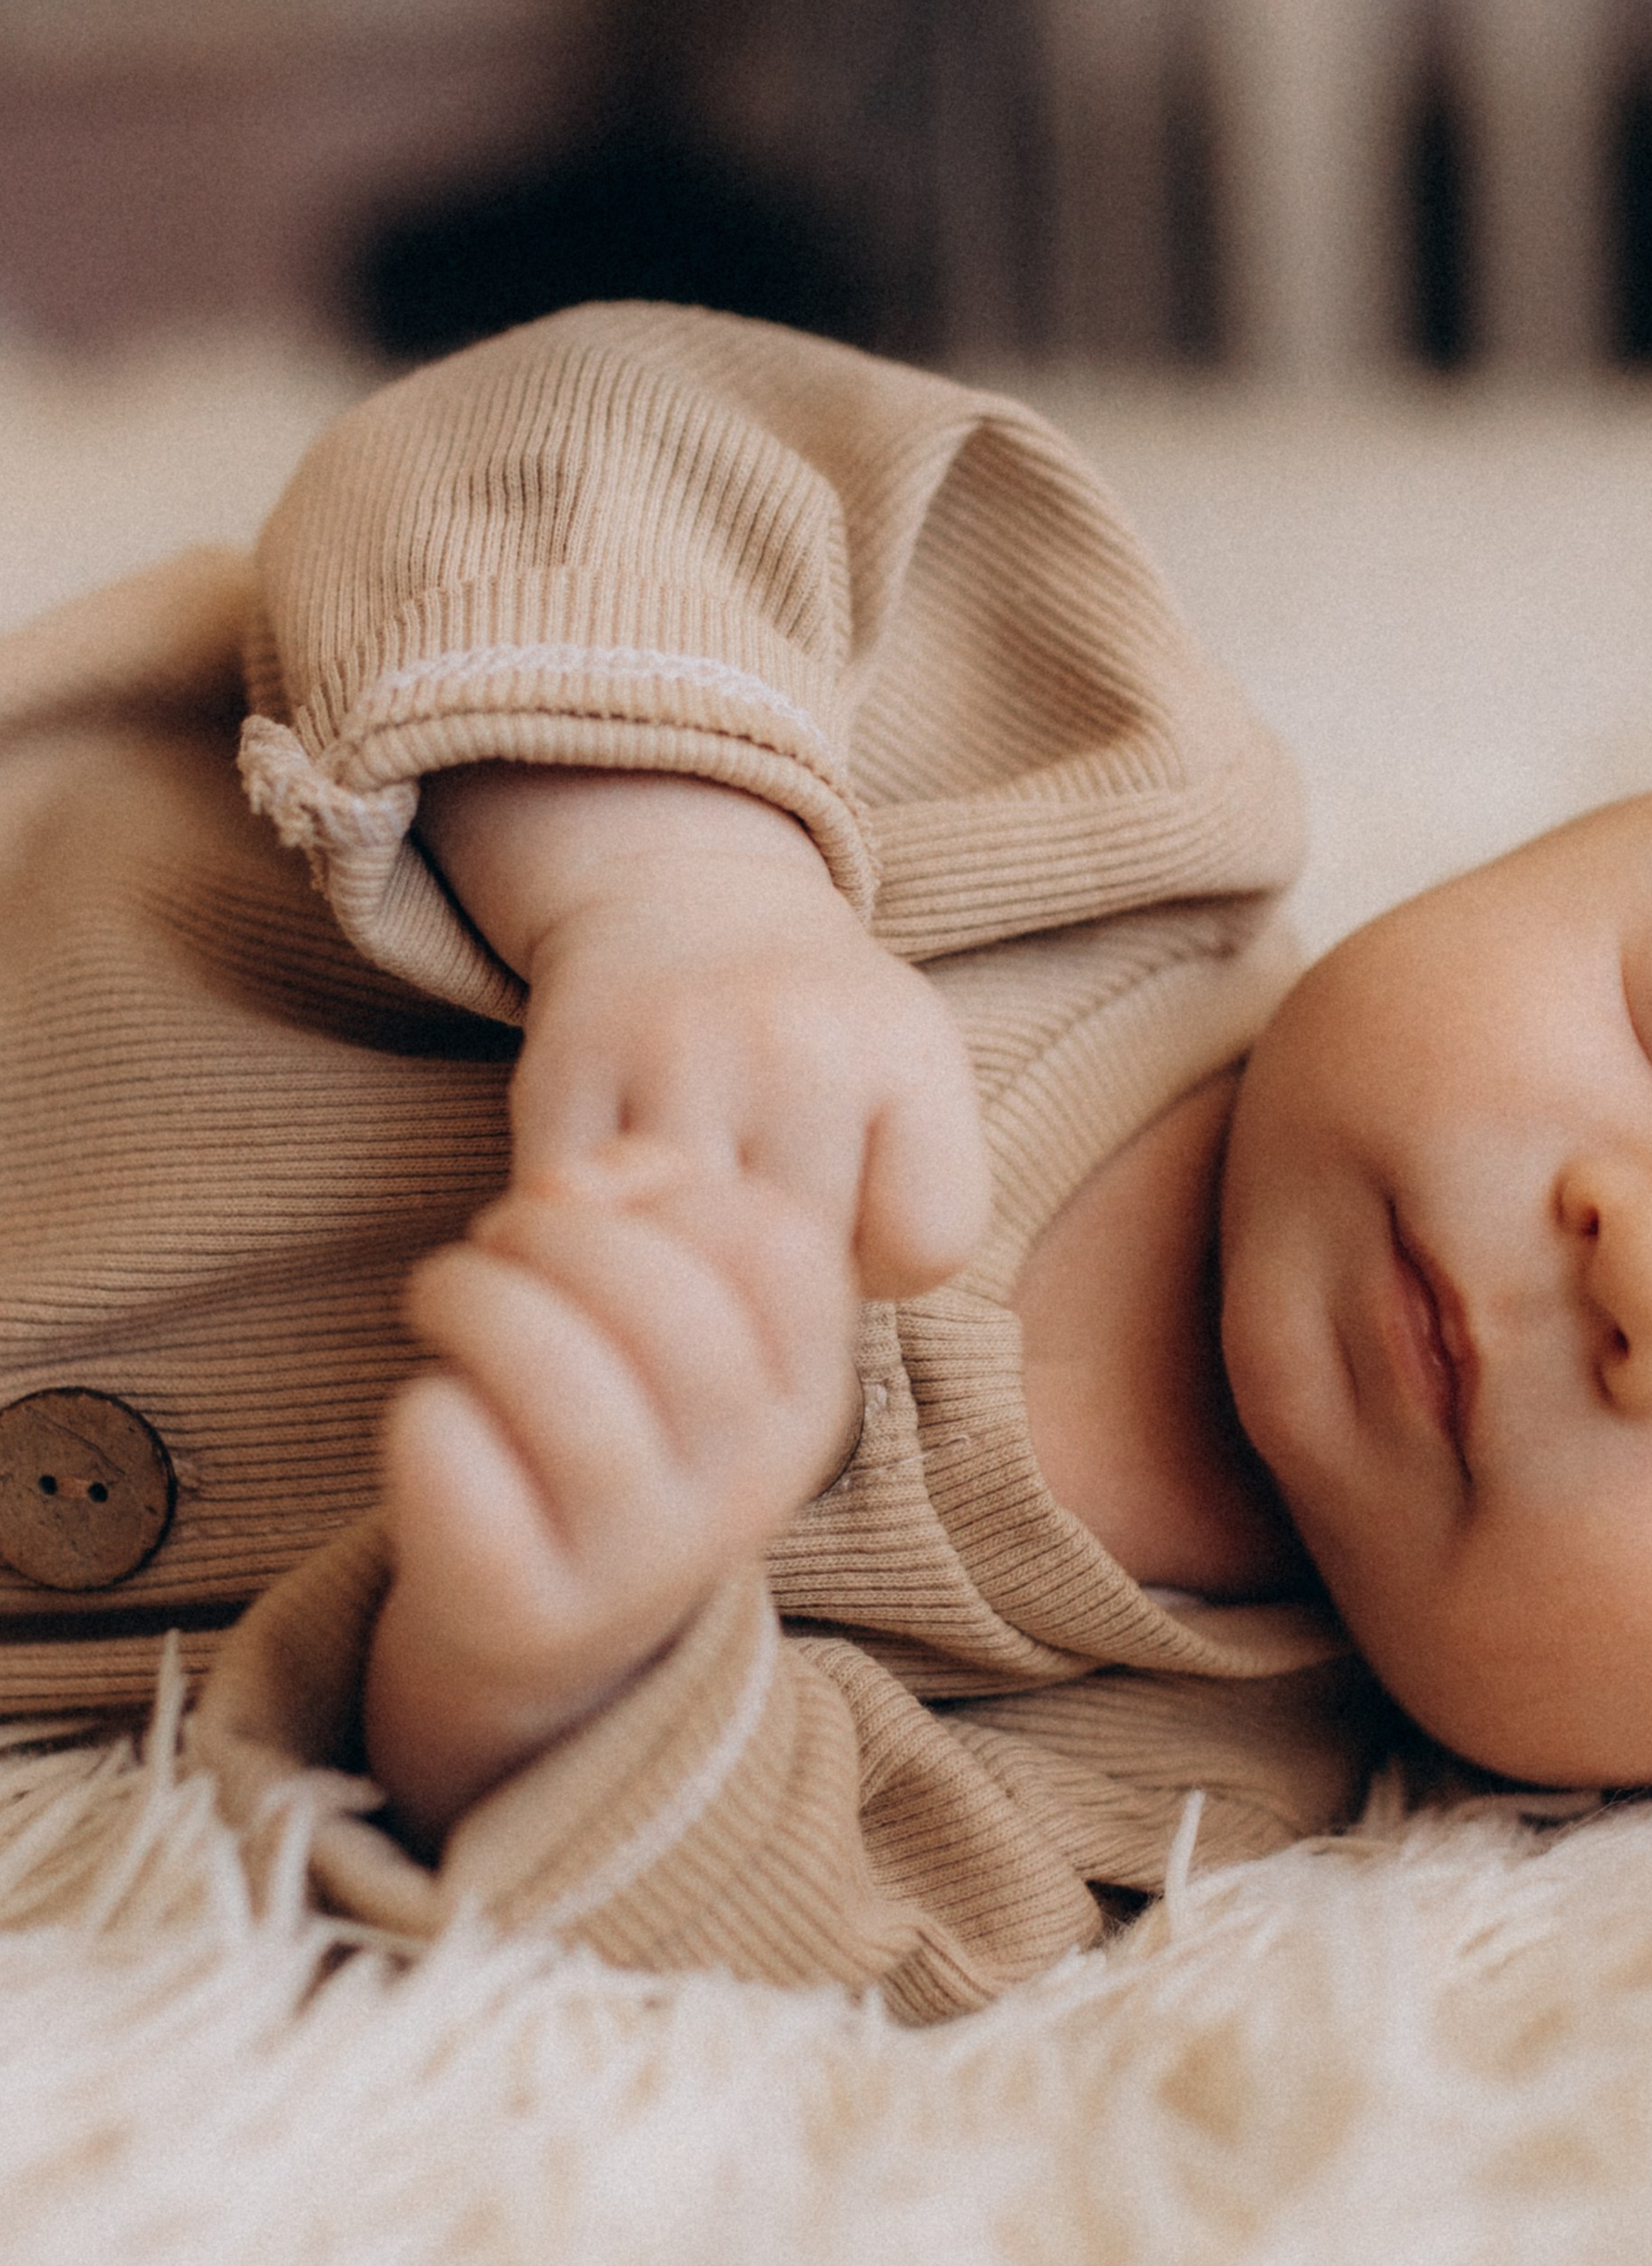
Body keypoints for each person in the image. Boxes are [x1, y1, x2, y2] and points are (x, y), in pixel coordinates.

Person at [0, 302, 1620, 2023]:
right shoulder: (1086, 750)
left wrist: (555, 1671)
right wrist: (686, 883)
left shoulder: (1176, 1794)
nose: (1632, 1264)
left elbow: (751, 1932)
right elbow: (590, 425)